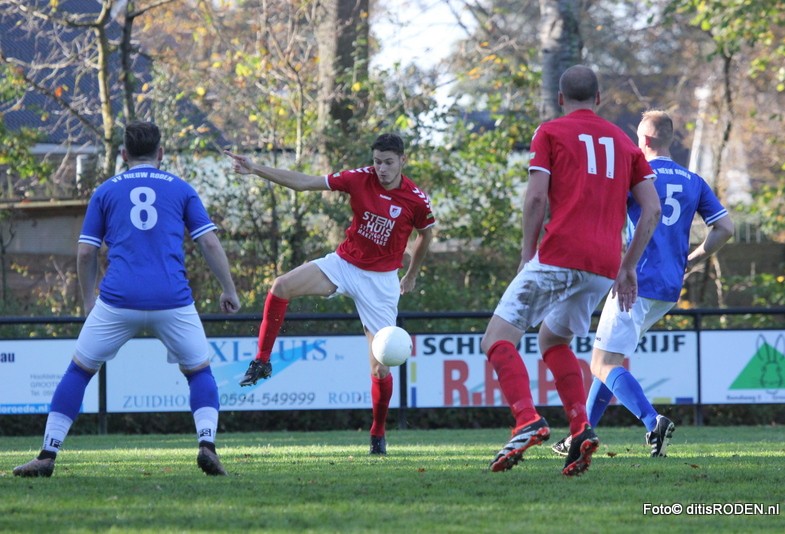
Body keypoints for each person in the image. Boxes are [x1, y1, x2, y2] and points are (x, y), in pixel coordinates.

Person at [13, 121, 241, 478]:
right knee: (199, 373)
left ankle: (47, 455)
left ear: (123, 154)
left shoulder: (105, 191)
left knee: (79, 371)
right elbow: (209, 242)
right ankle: (207, 445)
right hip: (172, 300)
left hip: (118, 300)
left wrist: (89, 301)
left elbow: (86, 254)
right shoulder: (180, 188)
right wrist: (229, 289)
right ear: (160, 154)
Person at [480, 65, 662, 476]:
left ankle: (526, 418)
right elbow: (651, 209)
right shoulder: (622, 141)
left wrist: (528, 254)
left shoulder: (550, 131)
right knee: (552, 341)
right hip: (602, 266)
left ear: (561, 99)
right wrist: (628, 266)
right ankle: (580, 428)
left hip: (560, 254)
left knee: (496, 339)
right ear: (599, 98)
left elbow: (535, 200)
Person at [224, 133, 435, 455]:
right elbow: (304, 183)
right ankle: (262, 361)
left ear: (403, 161)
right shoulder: (358, 178)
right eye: (377, 161)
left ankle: (377, 432)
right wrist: (255, 168)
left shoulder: (416, 200)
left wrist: (412, 275)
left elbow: (426, 235)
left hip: (380, 283)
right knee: (281, 286)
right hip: (344, 265)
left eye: (389, 162)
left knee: (380, 367)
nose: (381, 168)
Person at [551, 109, 734, 458]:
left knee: (601, 363)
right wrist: (692, 259)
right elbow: (725, 228)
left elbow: (602, 216)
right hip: (667, 288)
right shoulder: (693, 180)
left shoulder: (637, 174)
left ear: (644, 140)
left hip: (635, 279)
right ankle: (581, 435)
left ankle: (653, 422)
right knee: (610, 360)